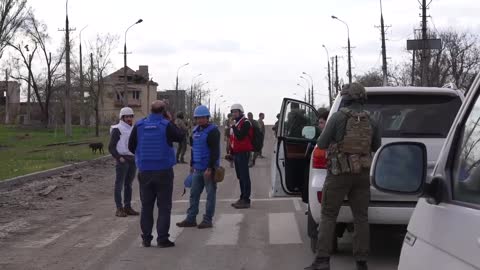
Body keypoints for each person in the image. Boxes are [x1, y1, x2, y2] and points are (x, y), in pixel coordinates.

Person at [305, 83, 381, 270]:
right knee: (361, 217)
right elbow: (376, 146)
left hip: (339, 173)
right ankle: (361, 263)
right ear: (362, 98)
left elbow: (321, 144)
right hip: (362, 174)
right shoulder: (372, 120)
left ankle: (323, 260)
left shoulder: (338, 117)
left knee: (329, 215)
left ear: (347, 98)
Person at [128, 100, 185, 248]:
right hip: (163, 171)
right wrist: (170, 120)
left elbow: (131, 146)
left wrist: (142, 156)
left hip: (145, 171)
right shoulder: (166, 125)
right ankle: (162, 239)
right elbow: (180, 136)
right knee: (164, 206)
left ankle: (146, 239)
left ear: (150, 110)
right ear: (164, 111)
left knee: (146, 206)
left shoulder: (139, 125)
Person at [176, 105, 221, 229]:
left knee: (210, 195)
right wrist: (192, 164)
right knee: (193, 194)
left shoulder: (213, 131)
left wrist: (211, 168)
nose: (200, 120)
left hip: (208, 169)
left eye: (202, 118)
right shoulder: (195, 131)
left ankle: (207, 220)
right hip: (197, 168)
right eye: (197, 118)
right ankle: (191, 219)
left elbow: (215, 151)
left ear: (207, 118)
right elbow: (194, 149)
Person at [108, 107, 139, 217]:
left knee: (128, 185)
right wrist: (118, 157)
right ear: (122, 117)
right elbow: (111, 147)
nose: (129, 118)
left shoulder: (133, 129)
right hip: (122, 159)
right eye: (127, 116)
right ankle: (119, 208)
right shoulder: (117, 129)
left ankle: (127, 207)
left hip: (132, 159)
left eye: (131, 116)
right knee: (119, 184)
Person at [229, 104, 253, 209]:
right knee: (240, 177)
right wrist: (231, 153)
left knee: (244, 176)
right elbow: (233, 139)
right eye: (233, 112)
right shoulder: (237, 123)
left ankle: (246, 199)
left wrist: (233, 126)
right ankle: (242, 197)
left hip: (243, 153)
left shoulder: (245, 123)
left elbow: (240, 136)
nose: (234, 114)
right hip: (237, 153)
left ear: (240, 112)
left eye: (236, 112)